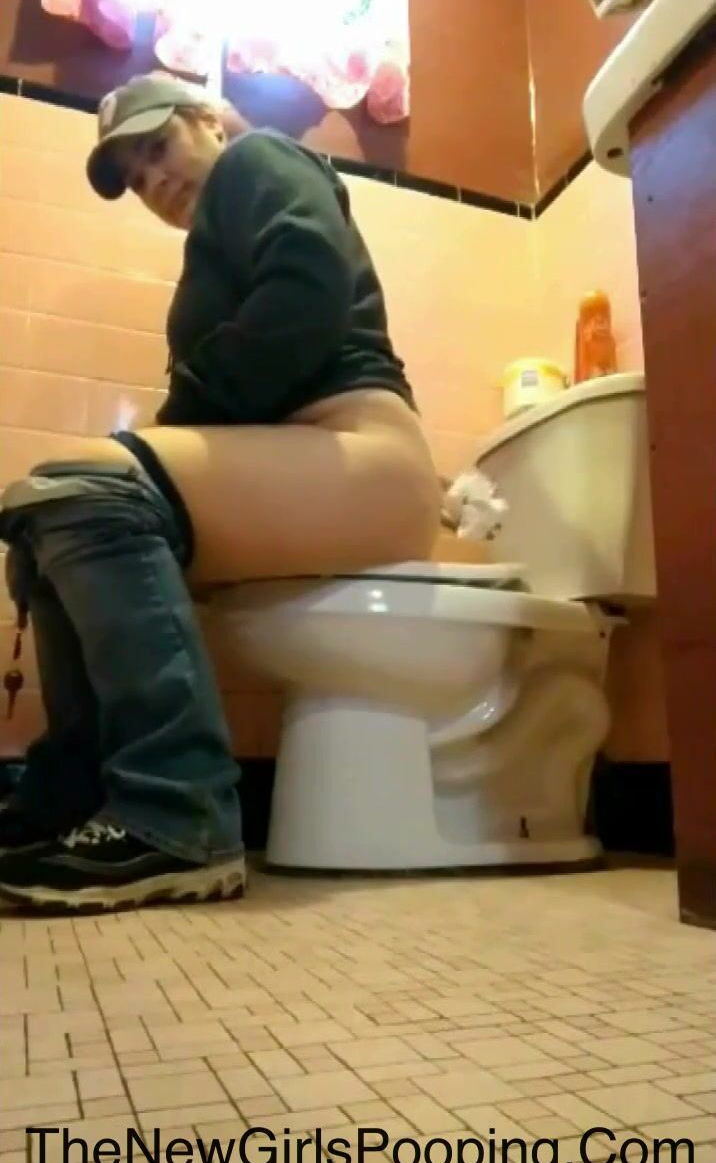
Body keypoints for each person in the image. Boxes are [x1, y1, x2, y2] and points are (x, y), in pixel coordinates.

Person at [0, 72, 441, 914]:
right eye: (135, 178)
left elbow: (305, 293)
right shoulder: (214, 236)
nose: (153, 180)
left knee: (86, 489)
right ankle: (76, 793)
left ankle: (179, 814)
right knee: (46, 514)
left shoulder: (259, 159)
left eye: (157, 147)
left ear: (207, 119)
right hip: (309, 464)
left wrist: (170, 427)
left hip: (362, 451)